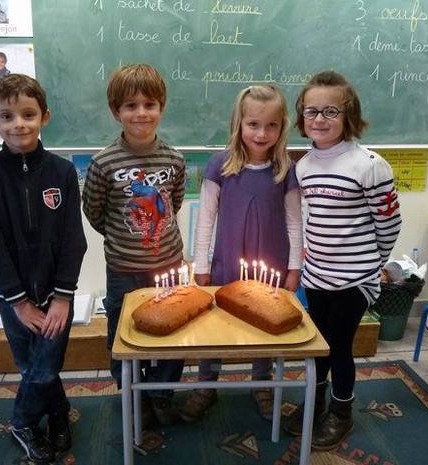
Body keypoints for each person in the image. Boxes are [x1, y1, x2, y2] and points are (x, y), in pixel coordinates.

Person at [0, 74, 87, 463]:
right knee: (32, 366)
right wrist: (19, 303)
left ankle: (21, 422)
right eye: (7, 116)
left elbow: (74, 239)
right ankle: (56, 414)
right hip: (15, 300)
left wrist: (62, 297)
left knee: (44, 366)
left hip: (55, 297)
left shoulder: (62, 172)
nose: (18, 123)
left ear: (44, 117)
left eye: (28, 114)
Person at [283, 70, 402, 450]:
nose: (319, 119)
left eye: (330, 111)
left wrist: (371, 265)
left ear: (349, 115)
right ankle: (315, 402)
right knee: (316, 344)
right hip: (317, 277)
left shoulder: (368, 165)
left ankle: (341, 411)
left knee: (339, 348)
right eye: (310, 110)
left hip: (354, 280)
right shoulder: (303, 166)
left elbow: (389, 223)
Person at [179, 84, 303, 422]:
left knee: (267, 324)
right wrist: (201, 265)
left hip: (272, 268)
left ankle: (262, 383)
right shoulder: (220, 165)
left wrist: (295, 268)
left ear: (282, 126)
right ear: (239, 123)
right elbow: (204, 221)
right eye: (253, 124)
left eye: (271, 125)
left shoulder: (286, 169)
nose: (262, 133)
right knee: (213, 323)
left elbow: (295, 224)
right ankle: (206, 384)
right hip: (226, 263)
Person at [82, 64, 186, 426]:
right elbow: (95, 212)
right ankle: (132, 393)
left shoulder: (173, 159)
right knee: (123, 335)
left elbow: (173, 204)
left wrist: (153, 234)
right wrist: (126, 239)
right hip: (124, 271)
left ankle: (161, 394)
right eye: (130, 105)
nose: (141, 113)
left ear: (162, 107)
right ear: (116, 111)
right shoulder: (103, 162)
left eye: (149, 104)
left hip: (169, 267)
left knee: (174, 334)